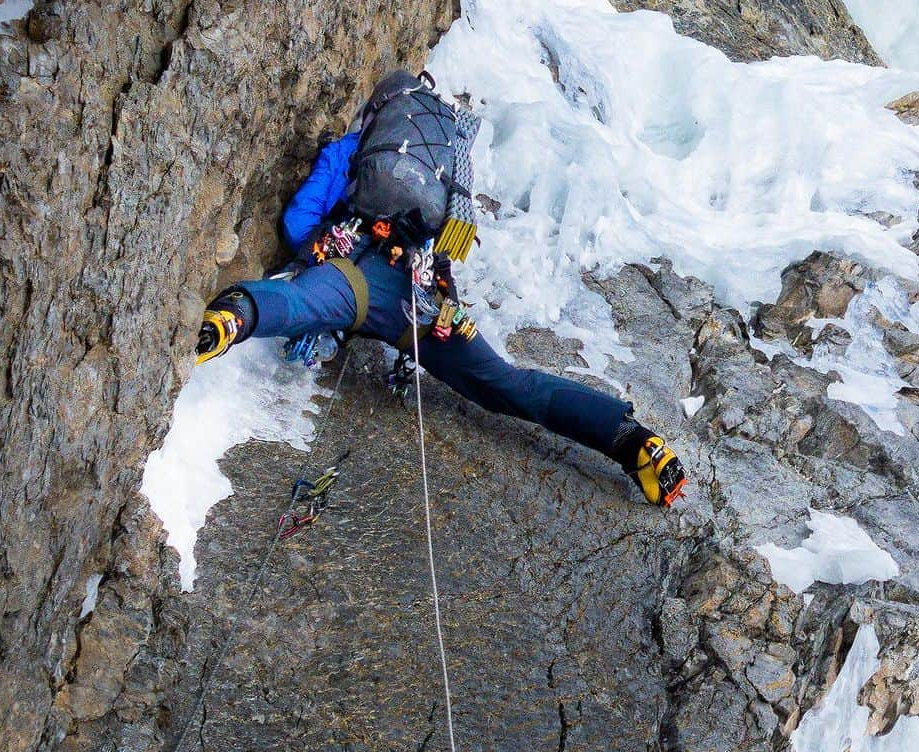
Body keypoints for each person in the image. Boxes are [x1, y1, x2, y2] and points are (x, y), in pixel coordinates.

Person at [196, 70, 687, 508]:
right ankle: (632, 441)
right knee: (507, 384)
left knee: (304, 304)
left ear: (375, 115)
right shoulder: (443, 169)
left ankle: (232, 318)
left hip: (352, 275)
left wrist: (323, 254)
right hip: (421, 296)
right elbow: (449, 242)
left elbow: (296, 221)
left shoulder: (352, 152)